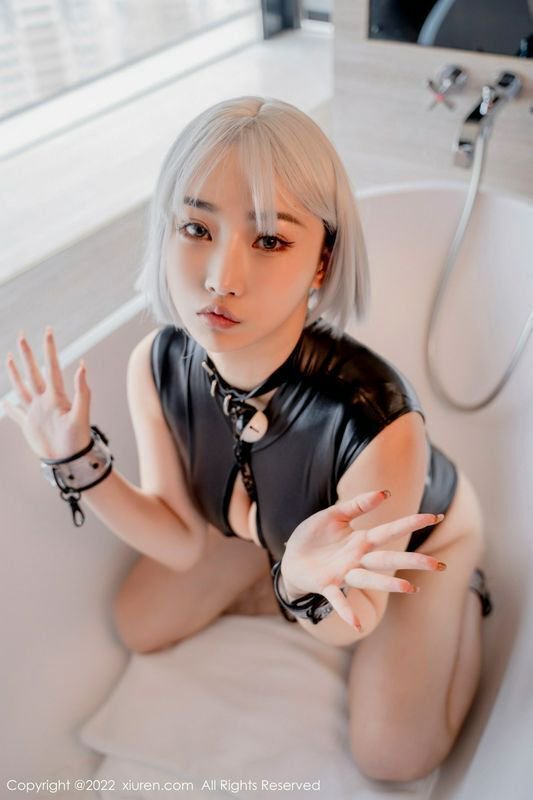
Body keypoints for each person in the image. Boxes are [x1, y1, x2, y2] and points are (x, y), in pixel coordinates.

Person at [2, 96, 492, 783]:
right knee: (139, 621)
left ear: (321, 262)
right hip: (274, 536)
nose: (219, 278)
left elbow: (351, 619)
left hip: (412, 550)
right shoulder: (159, 364)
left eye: (268, 241)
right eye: (196, 227)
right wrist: (76, 459)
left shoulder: (374, 422)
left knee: (394, 756)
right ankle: (270, 559)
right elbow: (180, 539)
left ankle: (461, 587)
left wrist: (296, 584)